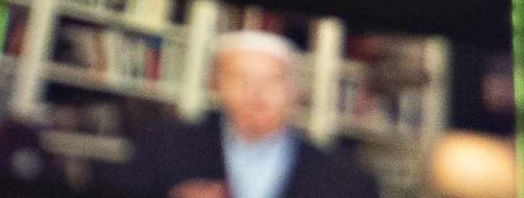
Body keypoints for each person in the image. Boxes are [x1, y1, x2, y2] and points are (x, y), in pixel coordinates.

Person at [124, 31, 380, 198]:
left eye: (272, 80)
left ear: (294, 91)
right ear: (217, 84)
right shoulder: (164, 147)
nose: (256, 93)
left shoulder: (346, 178)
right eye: (240, 78)